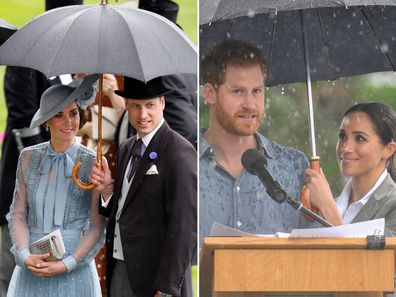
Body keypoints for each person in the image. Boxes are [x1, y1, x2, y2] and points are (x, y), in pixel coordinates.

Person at [0, 3, 83, 296]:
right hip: (26, 186)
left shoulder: (75, 64)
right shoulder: (27, 60)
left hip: (68, 200)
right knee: (13, 273)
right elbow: (25, 123)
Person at [89, 76, 197, 297]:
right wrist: (108, 191)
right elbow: (126, 209)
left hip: (156, 280)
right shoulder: (126, 148)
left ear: (163, 103)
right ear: (126, 105)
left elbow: (185, 227)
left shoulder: (179, 152)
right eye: (135, 106)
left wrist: (168, 287)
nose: (143, 114)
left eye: (150, 105)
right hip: (121, 270)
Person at [199, 39, 310, 244]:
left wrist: (328, 207)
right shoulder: (181, 160)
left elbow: (318, 258)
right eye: (238, 91)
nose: (250, 104)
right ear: (210, 93)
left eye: (257, 91)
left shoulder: (294, 166)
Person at [6, 74, 105, 297]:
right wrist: (24, 256)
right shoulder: (28, 158)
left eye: (73, 114)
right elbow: (18, 215)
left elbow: (97, 226)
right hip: (33, 266)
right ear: (47, 121)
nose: (68, 122)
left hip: (74, 269)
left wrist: (67, 264)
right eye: (59, 115)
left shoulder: (94, 162)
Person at [305, 102, 396, 235]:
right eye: (343, 136)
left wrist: (328, 208)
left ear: (389, 149)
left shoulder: (392, 205)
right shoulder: (325, 206)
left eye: (360, 138)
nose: (345, 148)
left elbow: (373, 256)